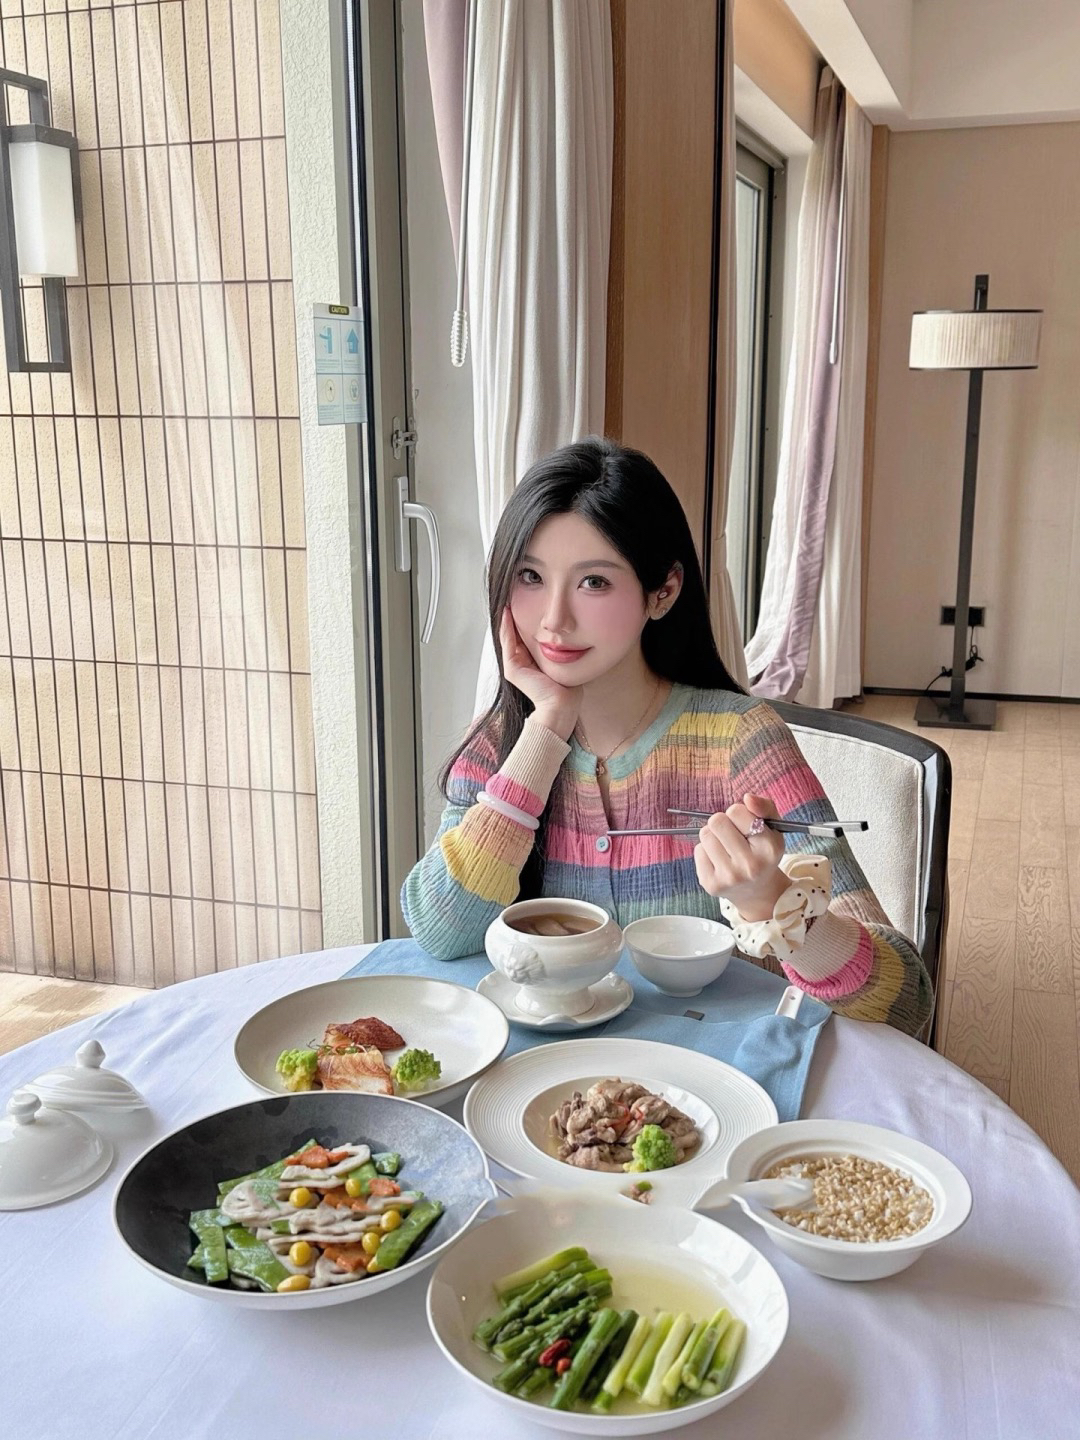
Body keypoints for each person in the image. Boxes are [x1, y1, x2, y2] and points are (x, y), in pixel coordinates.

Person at [402, 438, 932, 1038]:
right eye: (530, 576)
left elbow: (904, 1002)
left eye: (593, 582)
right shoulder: (504, 744)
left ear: (664, 592)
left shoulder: (740, 739)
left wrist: (774, 902)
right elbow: (442, 931)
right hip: (543, 1082)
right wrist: (545, 730)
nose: (553, 619)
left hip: (715, 1083)